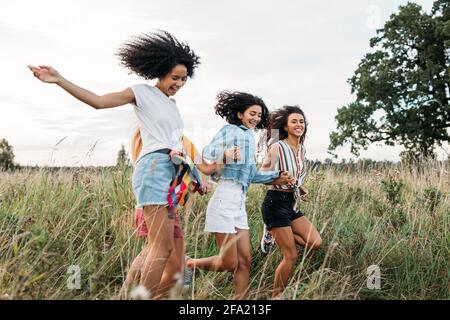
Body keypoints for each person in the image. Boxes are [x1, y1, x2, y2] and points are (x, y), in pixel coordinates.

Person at [28, 30, 212, 298]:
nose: (179, 83)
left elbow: (179, 147)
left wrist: (196, 178)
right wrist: (59, 80)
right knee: (160, 249)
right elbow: (99, 102)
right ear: (160, 72)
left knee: (165, 248)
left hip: (170, 174)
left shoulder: (172, 106)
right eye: (175, 77)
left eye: (184, 79)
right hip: (153, 170)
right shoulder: (141, 93)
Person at [185, 91, 294, 299]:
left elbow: (251, 174)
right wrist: (224, 155)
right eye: (252, 113)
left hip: (238, 204)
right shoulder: (231, 130)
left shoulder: (249, 138)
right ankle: (188, 263)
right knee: (230, 262)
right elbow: (207, 152)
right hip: (224, 199)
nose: (256, 118)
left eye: (259, 115)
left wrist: (277, 177)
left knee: (245, 261)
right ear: (239, 114)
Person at [259, 106, 322, 298]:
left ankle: (272, 232)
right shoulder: (278, 147)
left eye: (301, 121)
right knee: (291, 256)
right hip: (274, 204)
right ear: (285, 127)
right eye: (294, 121)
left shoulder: (302, 149)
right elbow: (261, 175)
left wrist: (300, 187)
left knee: (315, 243)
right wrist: (279, 177)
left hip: (291, 204)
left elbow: (296, 175)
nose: (299, 124)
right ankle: (276, 296)